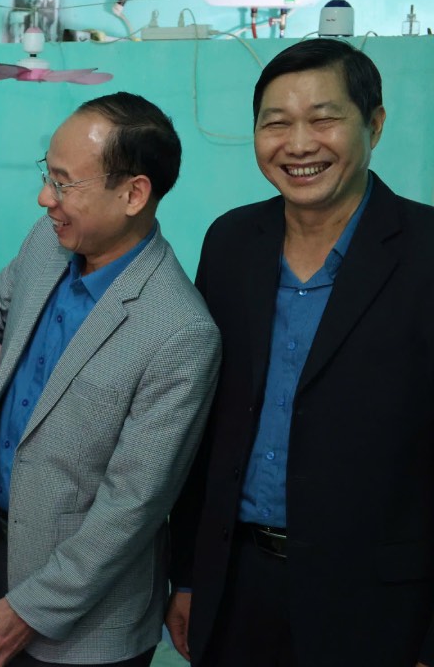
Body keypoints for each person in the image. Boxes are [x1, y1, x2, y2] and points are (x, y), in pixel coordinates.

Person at [0, 92, 222, 667]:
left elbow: (131, 506)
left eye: (64, 183)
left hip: (84, 624)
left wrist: (34, 607)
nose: (45, 199)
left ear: (134, 193)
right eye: (48, 176)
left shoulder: (178, 331)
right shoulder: (50, 243)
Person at [165, 39, 434, 666]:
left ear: (374, 124)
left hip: (379, 605)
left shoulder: (425, 253)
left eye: (324, 118)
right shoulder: (232, 242)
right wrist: (188, 574)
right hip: (236, 585)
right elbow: (204, 422)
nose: (299, 143)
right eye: (276, 123)